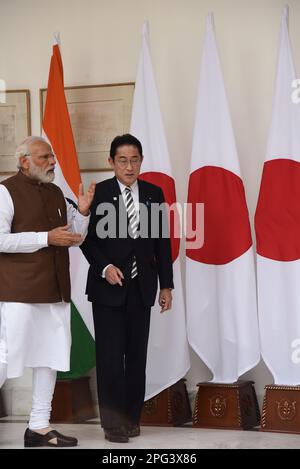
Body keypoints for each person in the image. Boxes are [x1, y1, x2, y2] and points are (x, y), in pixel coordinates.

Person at [0, 136, 95, 447]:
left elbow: (74, 237)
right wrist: (45, 238)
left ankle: (39, 426)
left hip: (55, 291)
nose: (52, 161)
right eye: (44, 157)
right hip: (18, 291)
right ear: (24, 161)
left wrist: (81, 212)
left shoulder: (56, 192)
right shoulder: (5, 191)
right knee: (5, 357)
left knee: (50, 358)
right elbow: (1, 240)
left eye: (52, 156)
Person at [80, 134, 173, 443]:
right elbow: (86, 239)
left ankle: (132, 419)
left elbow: (162, 242)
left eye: (135, 160)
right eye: (123, 160)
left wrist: (167, 285)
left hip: (142, 287)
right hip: (107, 288)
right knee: (108, 358)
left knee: (136, 357)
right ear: (111, 162)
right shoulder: (100, 193)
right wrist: (105, 267)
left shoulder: (154, 193)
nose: (129, 166)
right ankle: (112, 424)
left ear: (141, 161)